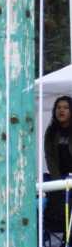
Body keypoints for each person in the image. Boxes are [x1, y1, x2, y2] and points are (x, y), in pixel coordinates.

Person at [44, 96, 72, 234]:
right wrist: (58, 180)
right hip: (59, 178)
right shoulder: (51, 132)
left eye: (66, 108)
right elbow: (50, 158)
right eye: (58, 107)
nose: (61, 110)